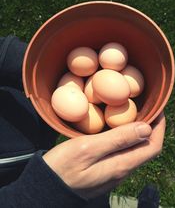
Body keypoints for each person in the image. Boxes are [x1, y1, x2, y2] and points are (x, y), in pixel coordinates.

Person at [0, 35, 165, 208]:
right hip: (33, 191)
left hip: (33, 129)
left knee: (95, 195)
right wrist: (43, 193)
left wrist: (32, 67)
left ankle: (114, 202)